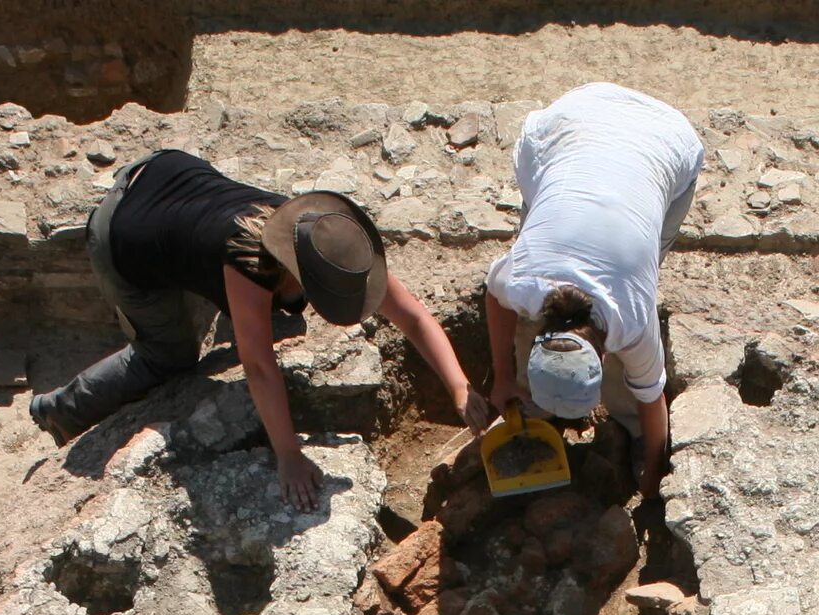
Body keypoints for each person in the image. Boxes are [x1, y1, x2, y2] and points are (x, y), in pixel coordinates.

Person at [28, 148, 482, 508]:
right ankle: (60, 410)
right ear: (295, 272)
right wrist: (288, 455)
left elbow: (415, 316)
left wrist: (460, 387)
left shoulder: (318, 235)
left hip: (165, 173)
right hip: (122, 231)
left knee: (273, 313)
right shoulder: (248, 265)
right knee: (169, 357)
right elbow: (259, 367)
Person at [480, 83, 706, 502]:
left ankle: (622, 423)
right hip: (569, 129)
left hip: (666, 141)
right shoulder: (524, 280)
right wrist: (505, 378)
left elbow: (653, 399)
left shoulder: (633, 320)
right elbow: (495, 299)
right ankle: (538, 401)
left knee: (636, 375)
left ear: (604, 355)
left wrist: (653, 476)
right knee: (544, 211)